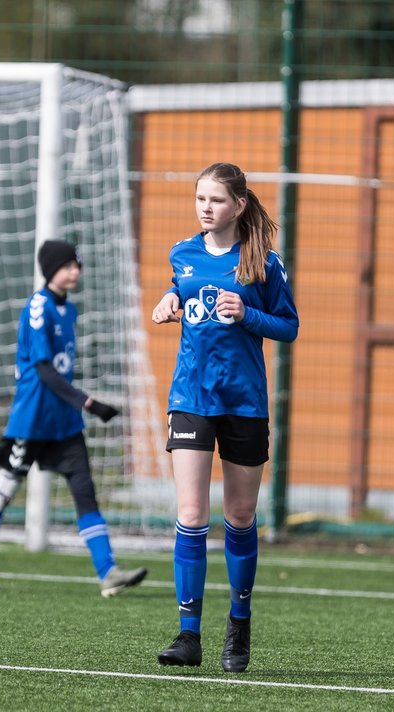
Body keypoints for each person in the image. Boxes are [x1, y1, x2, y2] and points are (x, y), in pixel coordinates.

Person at [149, 162, 299, 672]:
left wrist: (249, 314)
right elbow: (181, 290)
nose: (204, 208)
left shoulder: (263, 262)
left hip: (244, 403)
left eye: (214, 200)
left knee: (238, 516)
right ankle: (187, 633)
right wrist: (170, 299)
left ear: (237, 205)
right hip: (191, 397)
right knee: (191, 516)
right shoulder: (183, 254)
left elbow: (289, 326)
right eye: (198, 199)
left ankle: (239, 624)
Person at [0, 239, 147, 597]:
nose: (75, 271)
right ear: (51, 270)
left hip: (64, 422)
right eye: (67, 265)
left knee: (85, 491)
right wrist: (89, 403)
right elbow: (44, 370)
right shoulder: (38, 307)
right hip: (31, 419)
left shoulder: (70, 310)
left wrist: (78, 406)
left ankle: (108, 572)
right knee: (5, 488)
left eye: (77, 265)